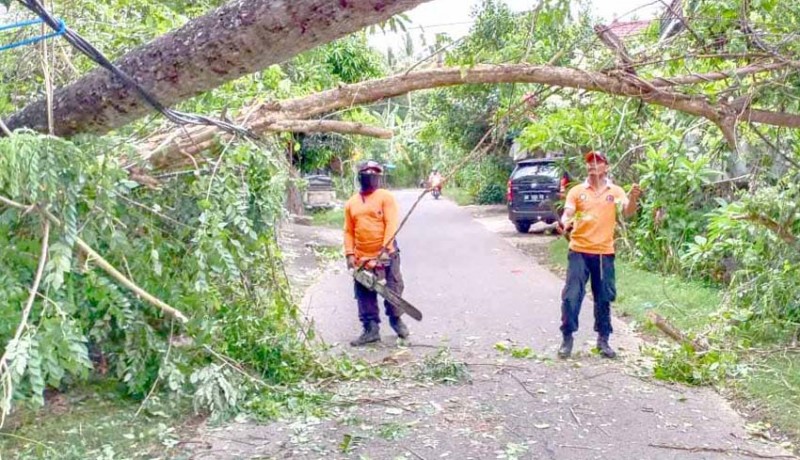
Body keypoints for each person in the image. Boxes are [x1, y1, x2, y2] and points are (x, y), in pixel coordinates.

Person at [557, 151, 641, 359]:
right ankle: (567, 338)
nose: (593, 165)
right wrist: (564, 223)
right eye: (589, 162)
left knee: (603, 297)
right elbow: (568, 213)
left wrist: (634, 198)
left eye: (597, 161)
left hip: (604, 253)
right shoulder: (577, 191)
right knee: (571, 296)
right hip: (579, 251)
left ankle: (603, 340)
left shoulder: (616, 191)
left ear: (606, 166)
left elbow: (628, 212)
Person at [344, 160, 409, 346]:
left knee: (392, 288)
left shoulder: (385, 197)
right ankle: (370, 328)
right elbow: (348, 231)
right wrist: (349, 254)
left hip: (385, 253)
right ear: (360, 176)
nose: (371, 175)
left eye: (374, 173)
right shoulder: (351, 203)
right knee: (364, 292)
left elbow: (391, 223)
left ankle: (396, 321)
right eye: (367, 172)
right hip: (362, 257)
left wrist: (386, 248)